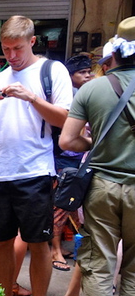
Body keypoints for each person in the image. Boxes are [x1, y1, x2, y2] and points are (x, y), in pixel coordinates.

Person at [0, 15, 73, 296]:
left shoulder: (51, 71)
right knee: (1, 240)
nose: (12, 55)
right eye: (6, 49)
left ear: (32, 42)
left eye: (17, 48)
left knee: (38, 242)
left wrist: (32, 97)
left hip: (34, 171)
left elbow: (65, 119)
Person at [58, 16, 135, 296]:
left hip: (102, 187)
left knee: (99, 265)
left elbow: (68, 140)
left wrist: (94, 140)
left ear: (114, 50)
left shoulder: (94, 88)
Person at [50, 55, 92, 272]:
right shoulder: (72, 96)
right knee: (62, 206)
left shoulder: (86, 93)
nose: (87, 76)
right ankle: (55, 250)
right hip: (65, 159)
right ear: (70, 76)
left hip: (77, 159)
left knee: (70, 207)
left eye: (88, 72)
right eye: (82, 73)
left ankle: (60, 247)